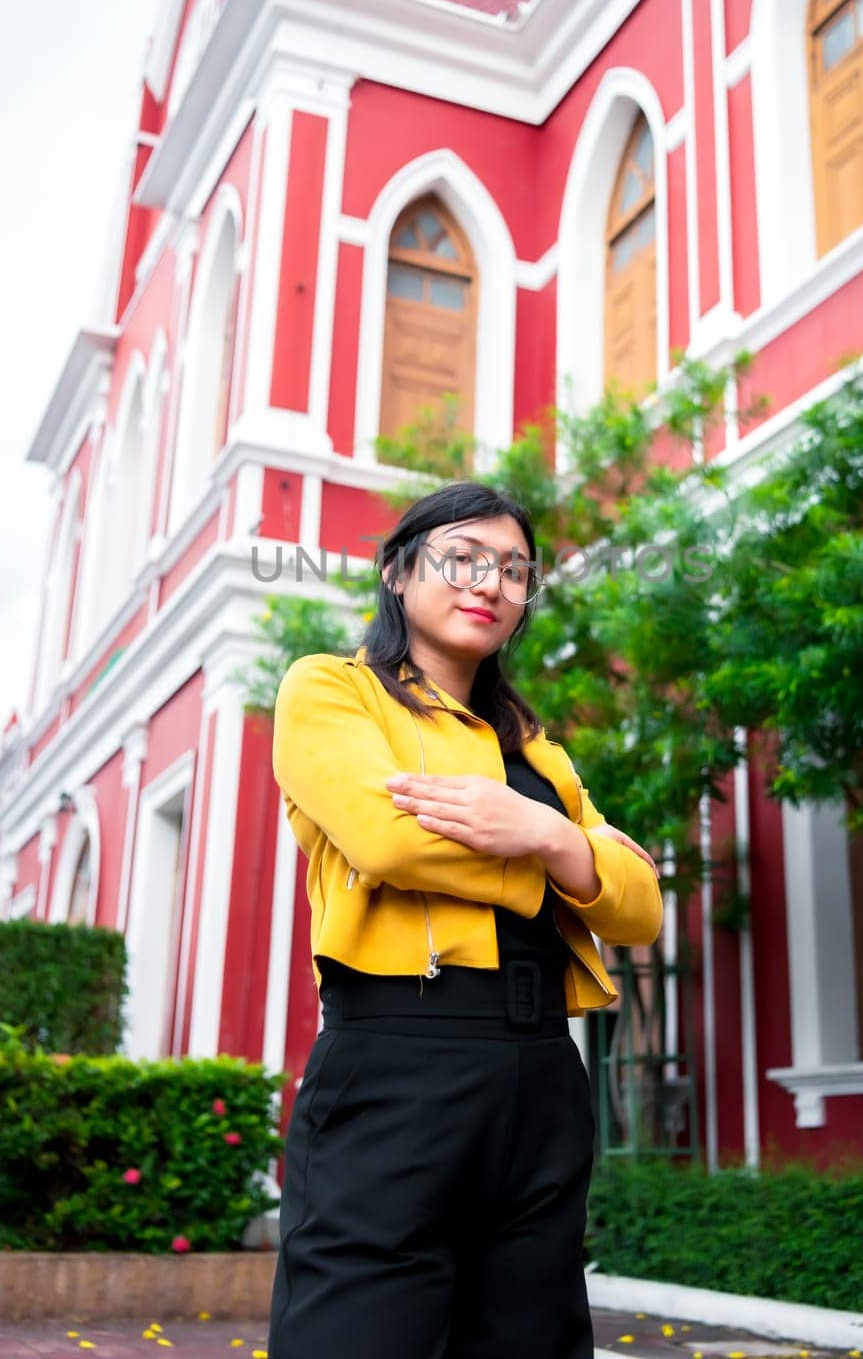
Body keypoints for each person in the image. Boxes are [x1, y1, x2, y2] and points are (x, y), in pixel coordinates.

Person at [267, 480, 663, 1359]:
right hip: (400, 1058)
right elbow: (389, 841)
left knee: (530, 1338)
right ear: (399, 573)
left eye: (515, 570)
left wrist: (547, 830)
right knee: (363, 1330)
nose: (491, 582)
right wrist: (563, 863)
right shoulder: (334, 692)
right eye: (462, 558)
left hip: (539, 1073)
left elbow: (640, 908)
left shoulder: (535, 749)